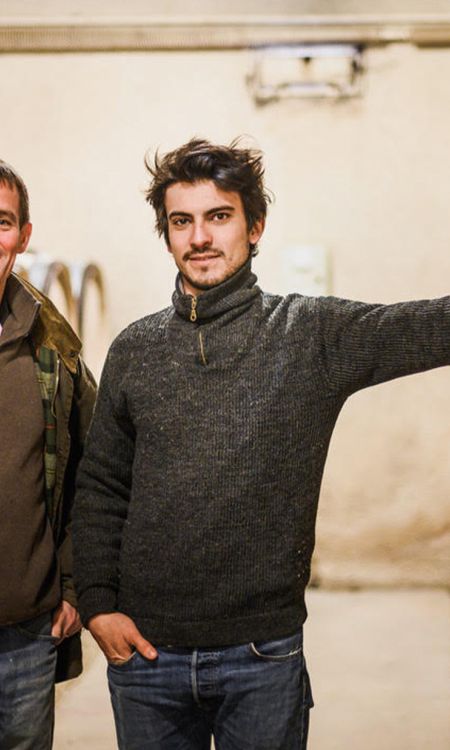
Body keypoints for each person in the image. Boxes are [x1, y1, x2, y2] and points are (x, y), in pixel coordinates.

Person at [73, 138, 449, 750]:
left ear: (255, 228)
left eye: (218, 217)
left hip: (261, 655)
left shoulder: (309, 335)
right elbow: (101, 487)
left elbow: (430, 326)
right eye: (181, 221)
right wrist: (96, 604)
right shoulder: (134, 350)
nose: (199, 237)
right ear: (166, 235)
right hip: (145, 657)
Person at [0, 160, 96, 749]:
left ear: (23, 236)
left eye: (1, 222)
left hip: (27, 637)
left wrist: (76, 589)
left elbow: (92, 472)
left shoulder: (51, 350)